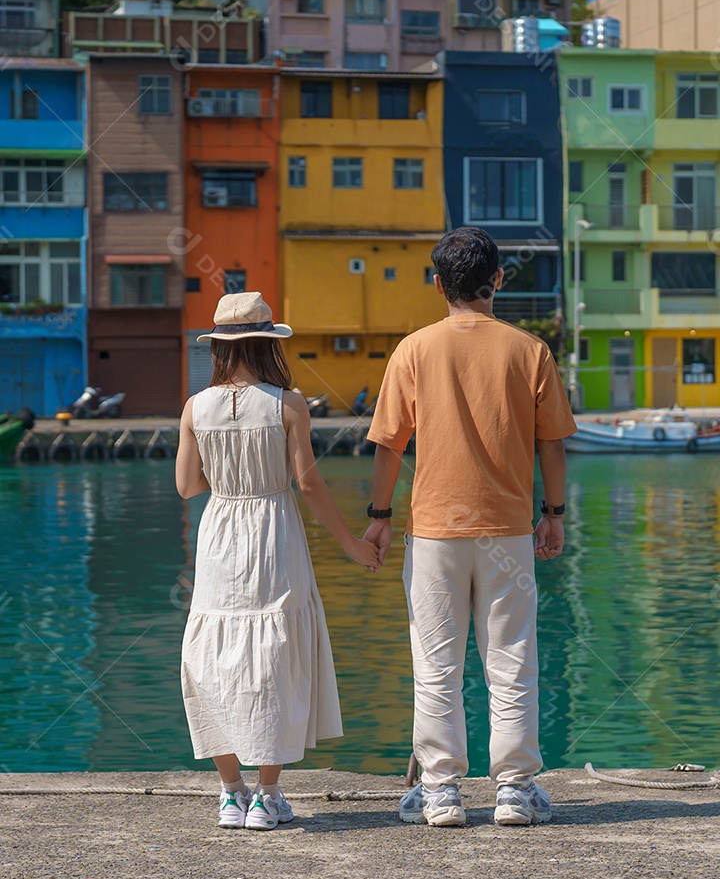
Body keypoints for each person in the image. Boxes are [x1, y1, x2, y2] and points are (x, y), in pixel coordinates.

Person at [364, 227, 577, 827]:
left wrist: (380, 518)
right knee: (511, 659)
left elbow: (387, 445)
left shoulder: (413, 349)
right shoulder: (529, 351)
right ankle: (514, 789)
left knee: (436, 664)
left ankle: (440, 792)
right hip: (507, 530)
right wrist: (553, 514)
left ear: (439, 285)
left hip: (433, 531)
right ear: (499, 281)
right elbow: (552, 445)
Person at [176, 292, 379, 831]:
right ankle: (267, 796)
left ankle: (229, 793)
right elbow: (309, 484)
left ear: (218, 348)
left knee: (211, 654)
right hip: (273, 530)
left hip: (220, 531)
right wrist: (352, 546)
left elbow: (186, 485)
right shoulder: (288, 404)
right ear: (269, 343)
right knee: (274, 654)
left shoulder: (195, 407)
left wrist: (228, 475)